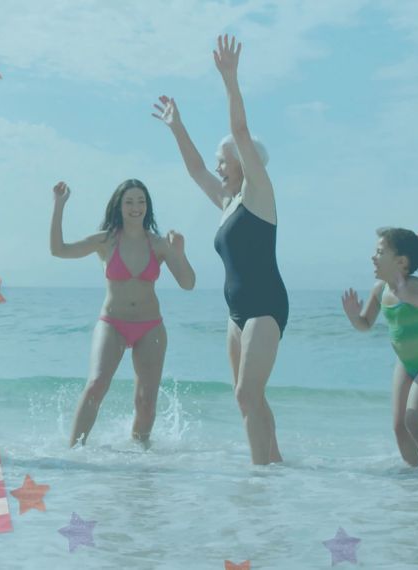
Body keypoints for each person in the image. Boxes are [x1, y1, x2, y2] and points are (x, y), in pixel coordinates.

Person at [153, 35, 287, 465]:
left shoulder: (258, 193)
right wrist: (177, 126)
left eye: (222, 158)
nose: (216, 163)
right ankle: (277, 469)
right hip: (235, 313)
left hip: (266, 306)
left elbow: (240, 132)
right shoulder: (227, 202)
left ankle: (259, 476)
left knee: (249, 394)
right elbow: (194, 169)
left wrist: (230, 80)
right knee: (247, 398)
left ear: (242, 162)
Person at [51, 179, 195, 448]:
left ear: (147, 207)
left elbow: (188, 283)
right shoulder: (106, 240)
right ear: (119, 205)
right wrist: (59, 206)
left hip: (150, 326)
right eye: (129, 201)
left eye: (141, 201)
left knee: (146, 402)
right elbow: (59, 250)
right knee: (95, 385)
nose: (135, 207)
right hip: (112, 323)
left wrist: (179, 253)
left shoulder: (158, 244)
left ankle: (140, 460)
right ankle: (73, 453)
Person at [342, 228, 418, 471]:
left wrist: (410, 297)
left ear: (401, 262)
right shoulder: (379, 289)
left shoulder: (414, 287)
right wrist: (354, 317)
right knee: (399, 426)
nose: (373, 256)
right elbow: (365, 324)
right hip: (405, 364)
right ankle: (414, 477)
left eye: (380, 252)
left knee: (414, 420)